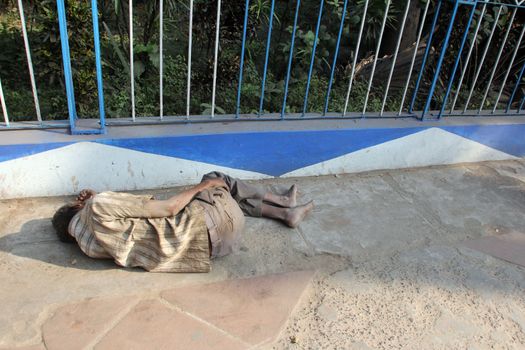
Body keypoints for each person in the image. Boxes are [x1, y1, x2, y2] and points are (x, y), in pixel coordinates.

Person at [52, 172, 314, 273]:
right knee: (217, 179)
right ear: (77, 206)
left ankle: (285, 212)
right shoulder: (97, 207)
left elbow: (119, 224)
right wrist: (205, 185)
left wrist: (94, 199)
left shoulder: (91, 247)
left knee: (218, 195)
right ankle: (282, 203)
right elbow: (170, 207)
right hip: (213, 221)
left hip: (215, 248)